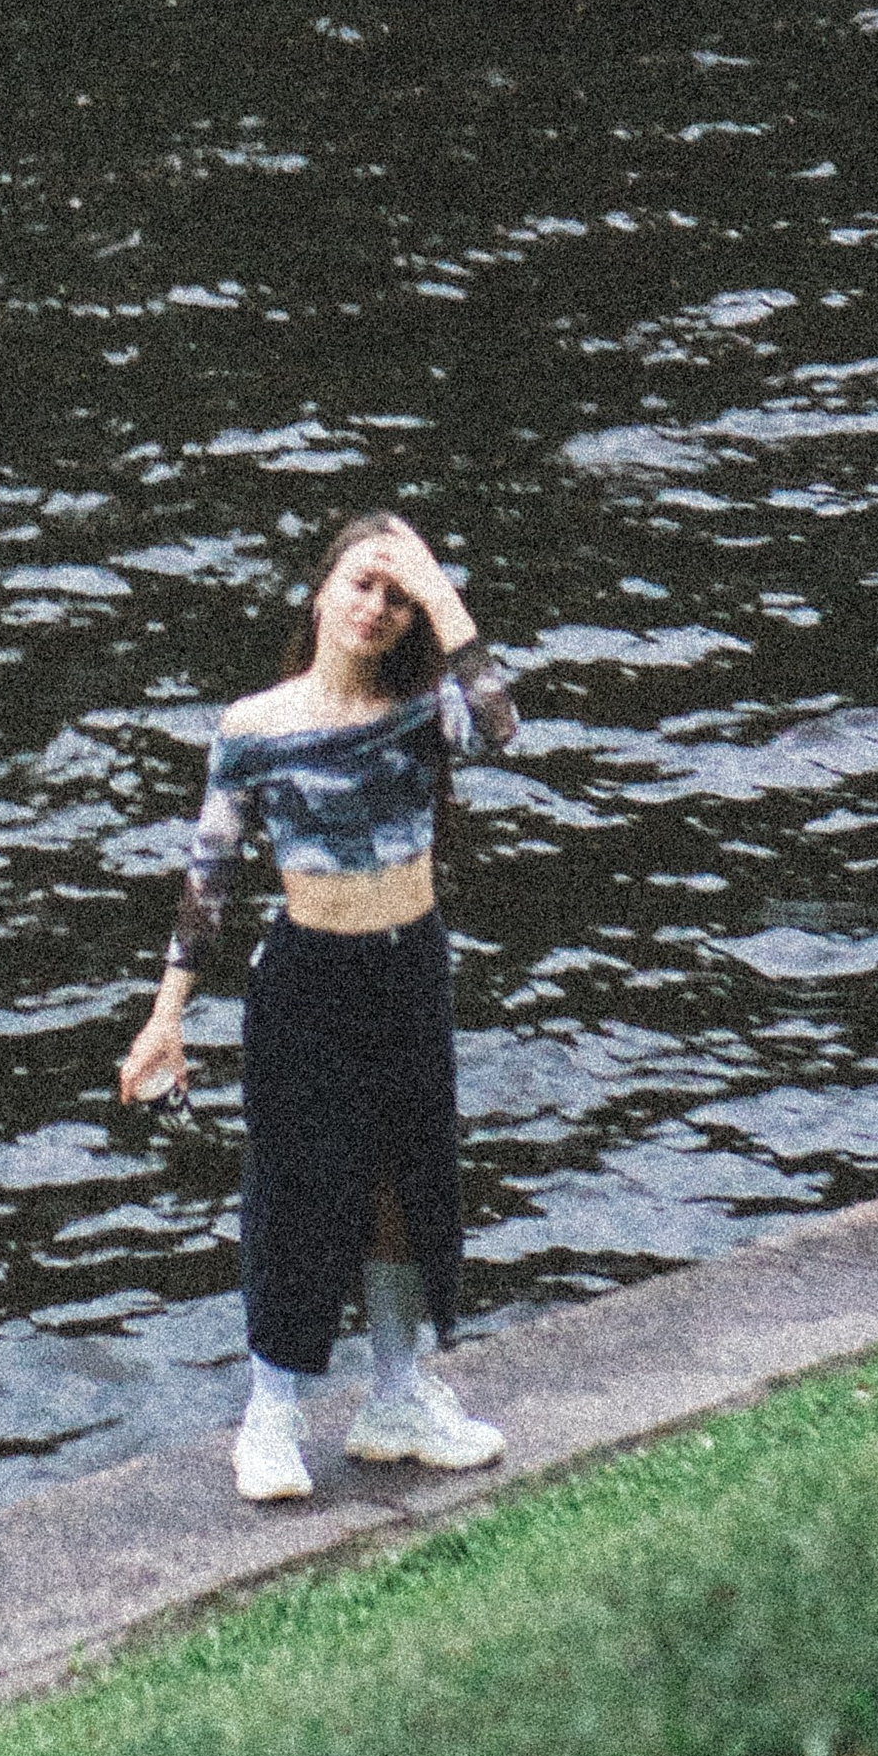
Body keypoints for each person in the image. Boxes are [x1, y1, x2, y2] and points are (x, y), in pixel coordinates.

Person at [118, 512, 521, 1503]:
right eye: (362, 584)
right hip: (308, 981)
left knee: (404, 1186)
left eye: (396, 594)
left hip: (409, 966)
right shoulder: (254, 729)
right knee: (298, 1192)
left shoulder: (429, 706)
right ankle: (271, 1418)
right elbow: (206, 883)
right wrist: (166, 1016)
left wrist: (438, 589)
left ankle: (395, 1400)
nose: (377, 608)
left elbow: (503, 725)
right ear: (319, 592)